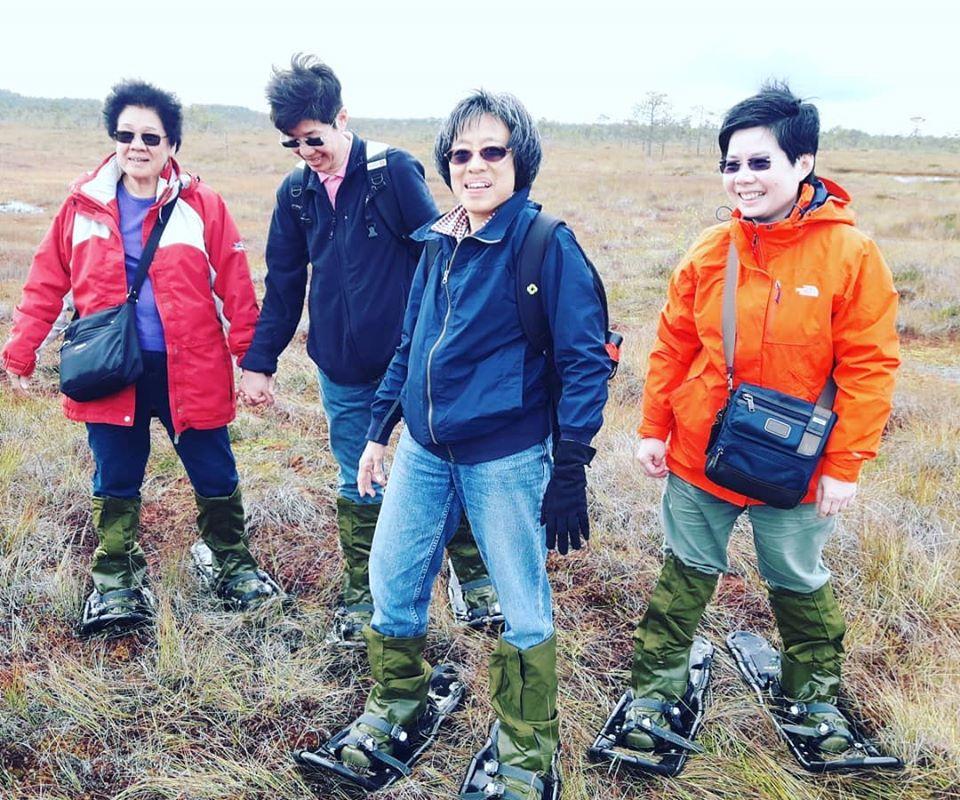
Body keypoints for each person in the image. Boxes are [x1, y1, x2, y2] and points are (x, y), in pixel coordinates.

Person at [327, 90, 610, 800]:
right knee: (390, 579)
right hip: (424, 453)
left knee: (521, 602)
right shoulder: (440, 242)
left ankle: (524, 748)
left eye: (492, 151)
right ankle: (398, 700)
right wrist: (376, 433)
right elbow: (409, 345)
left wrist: (570, 464)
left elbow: (585, 359)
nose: (475, 166)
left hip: (505, 459)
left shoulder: (547, 244)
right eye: (461, 154)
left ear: (521, 161)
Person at [618, 82, 899, 762]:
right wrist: (654, 429)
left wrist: (845, 466)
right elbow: (674, 347)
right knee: (685, 571)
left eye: (760, 162)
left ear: (802, 164)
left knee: (798, 580)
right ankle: (656, 689)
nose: (743, 177)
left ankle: (814, 694)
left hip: (795, 468)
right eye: (732, 164)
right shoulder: (711, 250)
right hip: (700, 453)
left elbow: (869, 368)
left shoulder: (850, 255)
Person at [2, 80, 280, 635]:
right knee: (116, 476)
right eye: (126, 134)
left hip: (191, 370)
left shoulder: (203, 206)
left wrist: (254, 362)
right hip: (110, 371)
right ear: (114, 138)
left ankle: (231, 562)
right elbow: (44, 283)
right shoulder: (81, 206)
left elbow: (237, 288)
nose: (137, 145)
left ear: (171, 143)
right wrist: (20, 353)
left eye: (150, 136)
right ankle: (115, 575)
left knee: (214, 470)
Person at [238, 55, 497, 646]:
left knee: (447, 459)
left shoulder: (391, 173)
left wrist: (452, 342)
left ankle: (473, 574)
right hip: (342, 364)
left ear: (342, 117)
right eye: (293, 143)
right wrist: (259, 361)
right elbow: (283, 282)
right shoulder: (296, 194)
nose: (307, 152)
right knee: (359, 476)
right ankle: (365, 592)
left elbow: (442, 258)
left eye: (314, 138)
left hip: (414, 361)